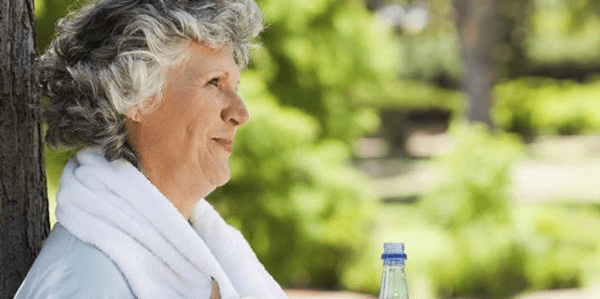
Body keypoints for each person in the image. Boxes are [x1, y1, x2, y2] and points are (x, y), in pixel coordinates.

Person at [15, 0, 287, 298]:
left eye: (235, 86)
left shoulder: (210, 256)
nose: (240, 112)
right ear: (135, 96)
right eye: (213, 82)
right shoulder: (84, 281)